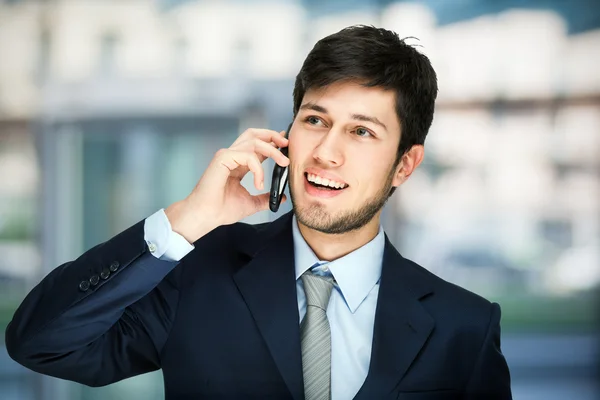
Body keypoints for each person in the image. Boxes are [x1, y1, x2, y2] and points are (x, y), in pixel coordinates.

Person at [5, 25, 512, 399]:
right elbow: (41, 343)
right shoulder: (197, 274)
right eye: (315, 120)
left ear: (405, 164)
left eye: (361, 131)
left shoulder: (463, 328)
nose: (325, 152)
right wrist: (189, 217)